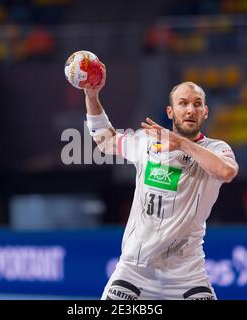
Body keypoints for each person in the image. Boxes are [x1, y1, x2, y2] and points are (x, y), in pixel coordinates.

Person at [83, 63, 238, 300]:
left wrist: (183, 143)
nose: (190, 110)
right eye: (183, 103)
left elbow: (226, 172)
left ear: (205, 111)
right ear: (170, 111)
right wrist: (91, 96)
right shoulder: (146, 142)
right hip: (135, 271)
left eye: (197, 104)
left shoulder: (216, 149)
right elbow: (105, 141)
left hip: (186, 276)